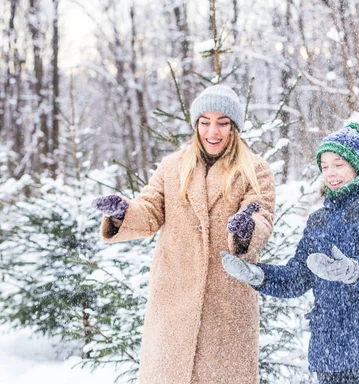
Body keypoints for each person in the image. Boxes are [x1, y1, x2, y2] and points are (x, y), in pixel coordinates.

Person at [92, 84, 276, 384]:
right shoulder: (172, 167)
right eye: (205, 122)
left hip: (226, 308)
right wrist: (122, 212)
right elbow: (149, 210)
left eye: (222, 123)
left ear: (235, 127)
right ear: (195, 125)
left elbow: (262, 216)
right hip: (173, 303)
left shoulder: (255, 170)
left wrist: (246, 229)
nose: (212, 132)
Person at [221, 122, 359, 384]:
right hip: (330, 352)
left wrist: (355, 270)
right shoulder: (320, 220)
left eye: (338, 164)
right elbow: (298, 276)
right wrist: (258, 274)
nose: (330, 173)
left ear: (356, 165)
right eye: (324, 167)